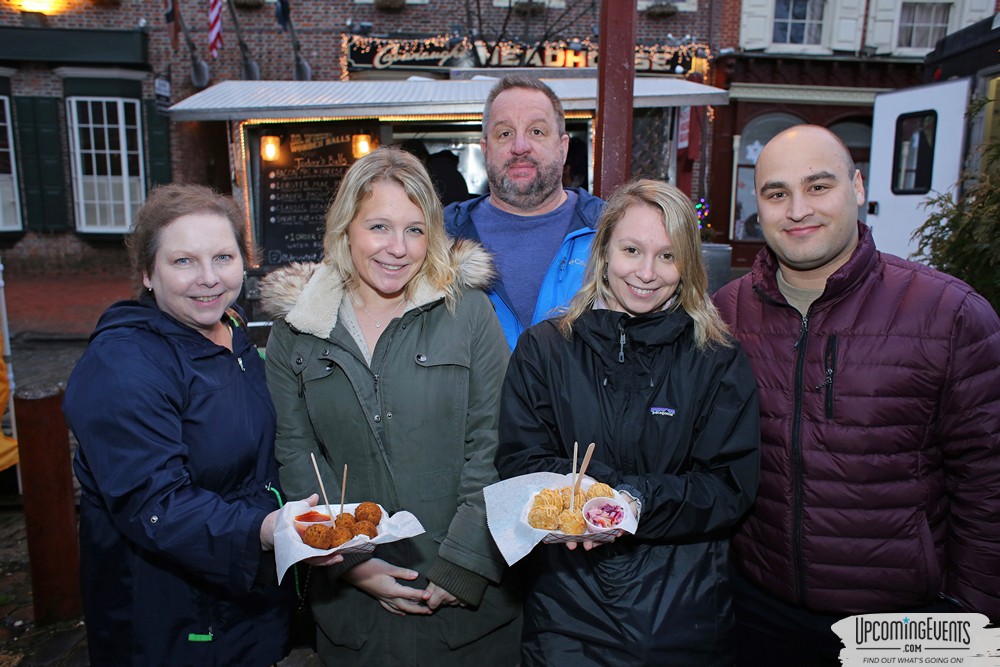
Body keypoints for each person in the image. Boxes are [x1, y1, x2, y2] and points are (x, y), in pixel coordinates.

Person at [713, 124, 1000, 666]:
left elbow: (987, 486)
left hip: (903, 627)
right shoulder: (726, 314)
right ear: (758, 204)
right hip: (757, 612)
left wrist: (970, 626)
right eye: (777, 193)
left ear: (858, 186)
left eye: (818, 186)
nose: (798, 209)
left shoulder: (949, 313)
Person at [259, 147, 520, 665]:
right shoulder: (297, 331)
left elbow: (495, 443)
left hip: (470, 607)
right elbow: (297, 453)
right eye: (379, 226)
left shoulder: (468, 313)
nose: (398, 249)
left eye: (416, 230)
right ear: (345, 229)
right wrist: (348, 563)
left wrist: (464, 564)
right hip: (356, 615)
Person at [62, 184, 340, 666]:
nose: (208, 278)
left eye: (223, 257)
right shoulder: (124, 363)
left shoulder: (233, 331)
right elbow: (154, 503)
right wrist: (265, 528)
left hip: (245, 600)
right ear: (147, 273)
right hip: (171, 614)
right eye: (183, 261)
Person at [496, 179, 761, 666]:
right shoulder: (545, 349)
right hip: (566, 607)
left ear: (687, 266)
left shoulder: (716, 359)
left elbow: (727, 485)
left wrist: (631, 502)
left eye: (667, 255)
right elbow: (521, 463)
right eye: (632, 250)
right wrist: (599, 503)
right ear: (603, 253)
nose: (645, 272)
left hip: (683, 608)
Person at [445, 74, 604, 349]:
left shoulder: (609, 231)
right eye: (504, 133)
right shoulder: (442, 235)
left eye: (536, 131)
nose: (520, 147)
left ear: (562, 147)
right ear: (485, 149)